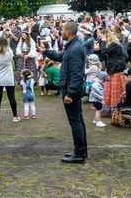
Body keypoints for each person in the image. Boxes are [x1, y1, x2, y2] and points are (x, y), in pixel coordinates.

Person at [41, 20, 87, 164]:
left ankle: (79, 153)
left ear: (68, 32)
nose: (61, 32)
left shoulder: (75, 49)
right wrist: (46, 51)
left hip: (71, 90)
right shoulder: (72, 46)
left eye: (62, 30)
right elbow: (61, 57)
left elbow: (76, 75)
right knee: (78, 120)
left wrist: (70, 94)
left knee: (75, 122)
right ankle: (80, 150)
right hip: (69, 88)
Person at [0, 36, 19, 123]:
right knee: (11, 97)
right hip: (8, 78)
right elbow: (11, 52)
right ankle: (15, 116)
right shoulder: (9, 54)